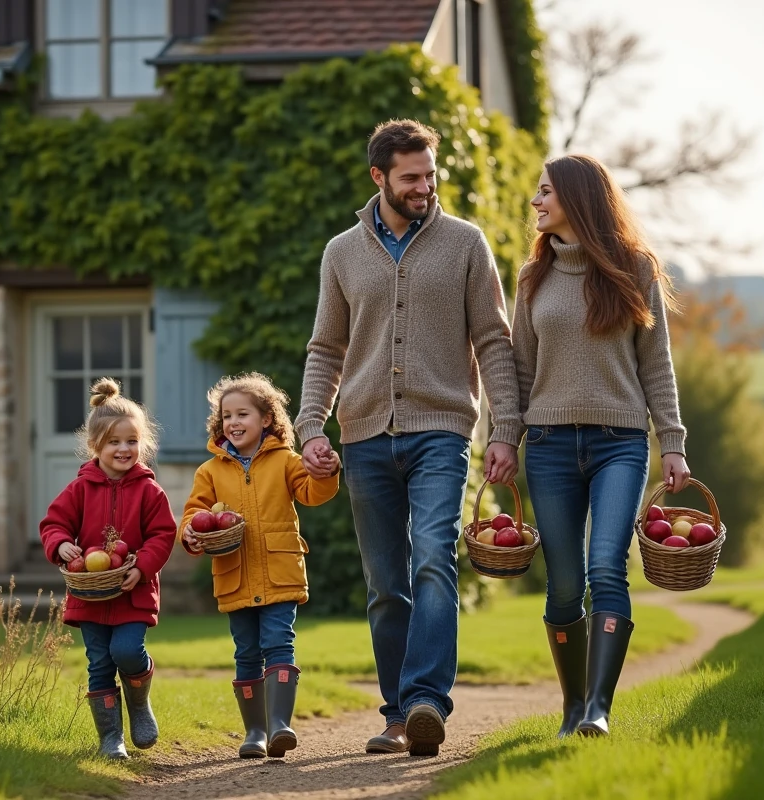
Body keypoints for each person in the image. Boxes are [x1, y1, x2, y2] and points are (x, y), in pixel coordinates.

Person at [295, 119, 521, 757]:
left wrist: (505, 428)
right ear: (379, 178)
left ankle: (426, 699)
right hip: (364, 436)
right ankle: (397, 715)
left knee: (431, 556)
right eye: (411, 178)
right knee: (385, 582)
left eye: (430, 175)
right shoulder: (341, 253)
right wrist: (312, 425)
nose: (425, 187)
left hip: (442, 428)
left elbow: (494, 343)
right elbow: (325, 348)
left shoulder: (466, 244)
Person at [512, 154, 691, 738]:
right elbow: (517, 370)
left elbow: (656, 365)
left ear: (578, 198)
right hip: (548, 445)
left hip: (620, 443)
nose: (536, 202)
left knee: (606, 567)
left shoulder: (634, 269)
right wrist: (503, 439)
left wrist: (673, 442)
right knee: (564, 583)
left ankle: (598, 709)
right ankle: (572, 706)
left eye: (545, 192)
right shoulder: (531, 278)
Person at [179, 372, 339, 759]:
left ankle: (279, 724)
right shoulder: (210, 472)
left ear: (266, 419)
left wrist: (327, 472)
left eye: (243, 414)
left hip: (280, 571)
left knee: (279, 643)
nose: (233, 422)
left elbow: (312, 493)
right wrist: (190, 533)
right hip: (234, 574)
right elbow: (194, 513)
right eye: (227, 415)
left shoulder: (286, 461)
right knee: (246, 651)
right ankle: (255, 731)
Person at [39, 378, 177, 760]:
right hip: (89, 594)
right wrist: (61, 544)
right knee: (99, 664)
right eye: (115, 442)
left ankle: (138, 702)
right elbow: (53, 524)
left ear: (142, 444)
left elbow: (164, 534)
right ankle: (111, 739)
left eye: (132, 441)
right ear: (95, 445)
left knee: (129, 652)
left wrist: (144, 567)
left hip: (133, 591)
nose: (124, 449)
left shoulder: (151, 492)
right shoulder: (78, 490)